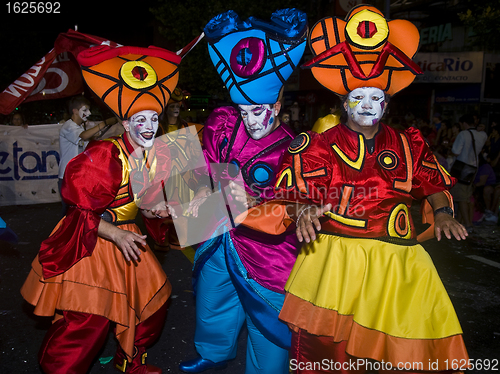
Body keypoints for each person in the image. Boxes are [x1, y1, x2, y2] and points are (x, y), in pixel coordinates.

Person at [243, 5, 469, 373]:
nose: (367, 105)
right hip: (336, 262)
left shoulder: (408, 143)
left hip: (397, 261)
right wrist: (303, 209)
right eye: (358, 97)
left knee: (401, 353)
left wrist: (442, 212)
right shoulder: (317, 144)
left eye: (376, 97)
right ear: (344, 101)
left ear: (387, 102)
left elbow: (433, 183)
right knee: (329, 356)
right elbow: (296, 191)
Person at [20, 41, 183, 374]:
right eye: (141, 119)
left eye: (154, 117)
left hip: (127, 238)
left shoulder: (154, 155)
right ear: (126, 124)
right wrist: (115, 234)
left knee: (153, 303)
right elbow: (78, 208)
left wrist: (157, 212)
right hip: (92, 239)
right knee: (87, 320)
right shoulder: (105, 155)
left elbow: (141, 202)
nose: (150, 125)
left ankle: (130, 360)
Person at [178, 8, 308, 374]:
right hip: (216, 232)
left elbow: (294, 203)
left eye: (258, 110)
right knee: (211, 298)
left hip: (267, 252)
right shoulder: (222, 122)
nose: (250, 119)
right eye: (243, 109)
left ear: (278, 105)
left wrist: (242, 197)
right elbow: (199, 171)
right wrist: (168, 189)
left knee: (268, 320)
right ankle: (214, 352)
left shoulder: (296, 147)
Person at [154, 87, 204, 251]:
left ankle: (177, 238)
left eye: (178, 107)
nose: (176, 110)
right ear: (166, 109)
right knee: (162, 208)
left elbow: (194, 149)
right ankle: (161, 239)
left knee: (181, 208)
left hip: (183, 174)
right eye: (172, 107)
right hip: (162, 174)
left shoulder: (186, 126)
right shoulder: (158, 128)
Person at [58, 95, 118, 216]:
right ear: (75, 111)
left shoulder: (79, 127)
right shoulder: (69, 126)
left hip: (79, 175)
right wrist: (105, 122)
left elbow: (87, 140)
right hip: (68, 175)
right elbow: (84, 136)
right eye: (85, 110)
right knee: (69, 211)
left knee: (79, 210)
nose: (89, 113)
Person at [450, 113, 488, 230]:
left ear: (464, 123)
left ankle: (467, 224)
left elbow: (455, 151)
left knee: (461, 197)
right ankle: (462, 222)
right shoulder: (483, 135)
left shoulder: (463, 134)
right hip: (474, 168)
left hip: (462, 169)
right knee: (466, 196)